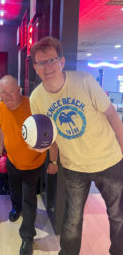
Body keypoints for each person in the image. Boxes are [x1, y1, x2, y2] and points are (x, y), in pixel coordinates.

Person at [29, 36, 123, 255]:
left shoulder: (84, 81)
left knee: (118, 216)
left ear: (61, 62)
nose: (47, 67)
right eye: (41, 63)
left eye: (51, 60)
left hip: (109, 160)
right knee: (71, 220)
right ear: (35, 68)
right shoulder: (37, 98)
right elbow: (47, 137)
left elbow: (113, 116)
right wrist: (43, 151)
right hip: (74, 167)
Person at [0, 75, 54, 255]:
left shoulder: (33, 106)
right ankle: (16, 208)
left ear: (20, 90)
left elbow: (50, 135)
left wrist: (52, 160)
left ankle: (27, 237)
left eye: (11, 92)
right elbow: (3, 130)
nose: (7, 97)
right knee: (14, 190)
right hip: (12, 160)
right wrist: (1, 146)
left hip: (33, 163)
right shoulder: (0, 108)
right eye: (3, 93)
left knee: (29, 198)